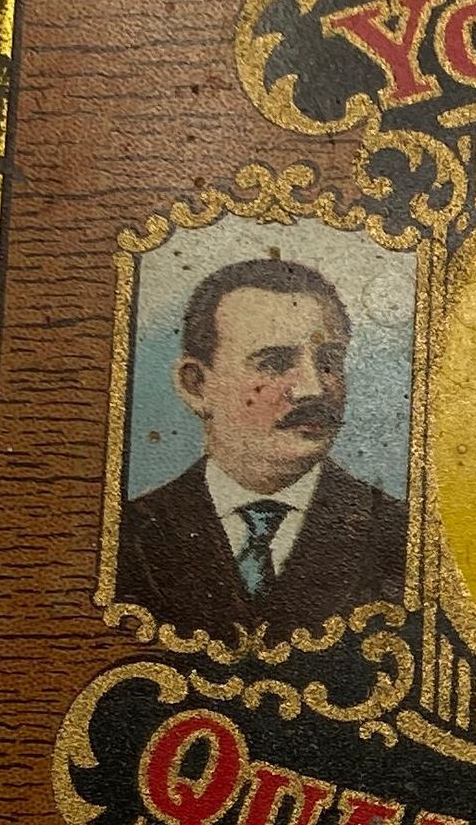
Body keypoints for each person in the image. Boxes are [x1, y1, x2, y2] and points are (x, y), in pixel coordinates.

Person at [115, 257, 406, 639]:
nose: (313, 389)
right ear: (196, 385)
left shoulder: (399, 536)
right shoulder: (127, 535)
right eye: (274, 363)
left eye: (329, 361)